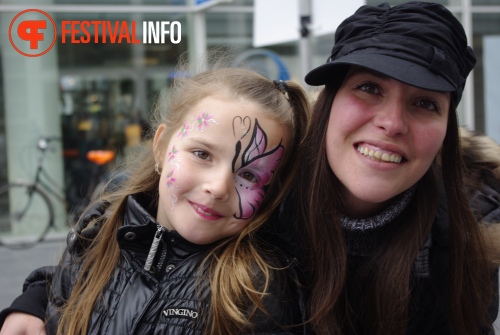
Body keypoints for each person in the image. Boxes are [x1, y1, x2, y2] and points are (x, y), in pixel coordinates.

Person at [0, 66, 310, 335]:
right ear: (161, 146)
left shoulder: (257, 293)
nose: (218, 187)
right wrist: (33, 303)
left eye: (251, 176)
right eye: (202, 154)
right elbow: (66, 284)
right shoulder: (101, 229)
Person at [288, 1, 499, 334]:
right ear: (328, 101)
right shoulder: (244, 211)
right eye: (369, 88)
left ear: (446, 131)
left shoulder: (464, 253)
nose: (392, 123)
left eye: (425, 103)